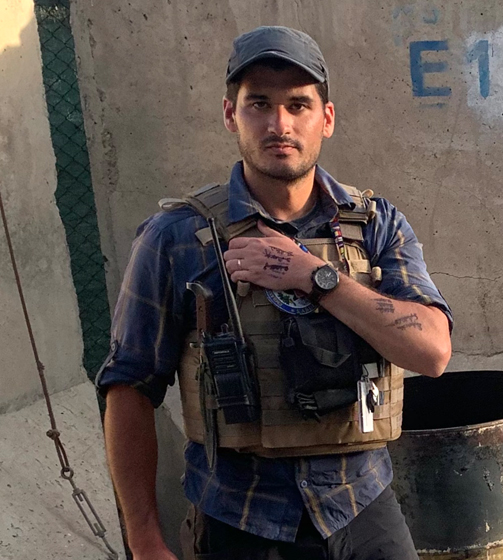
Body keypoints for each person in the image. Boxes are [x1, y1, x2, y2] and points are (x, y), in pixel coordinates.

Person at [96, 25, 452, 560]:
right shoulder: (176, 239)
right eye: (258, 103)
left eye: (298, 105)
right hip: (241, 515)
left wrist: (313, 276)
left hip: (362, 506)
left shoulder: (375, 226)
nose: (279, 124)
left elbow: (431, 351)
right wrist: (144, 540)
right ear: (229, 114)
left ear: (326, 120)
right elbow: (129, 389)